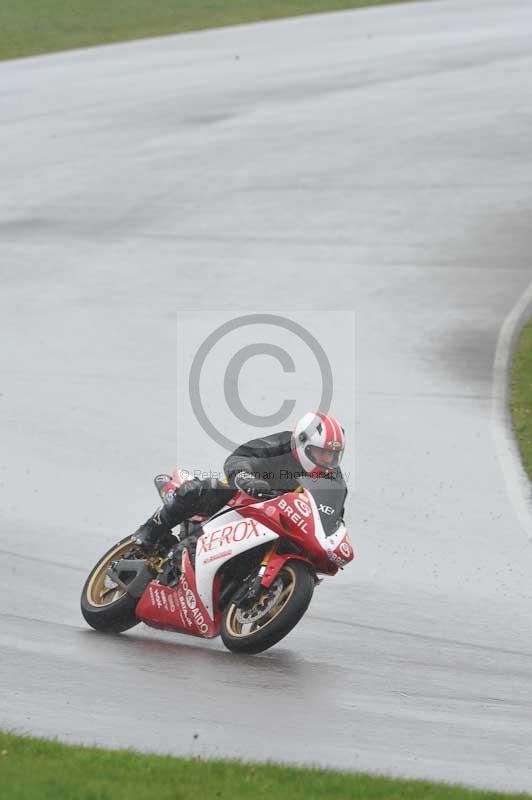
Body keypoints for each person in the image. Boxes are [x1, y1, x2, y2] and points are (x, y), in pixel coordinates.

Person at [134, 411, 346, 553]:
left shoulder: (334, 480)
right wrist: (246, 478)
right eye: (321, 453)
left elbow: (331, 516)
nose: (326, 460)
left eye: (332, 455)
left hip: (277, 521)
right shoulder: (283, 443)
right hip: (243, 497)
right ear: (302, 443)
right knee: (204, 489)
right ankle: (149, 531)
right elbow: (241, 456)